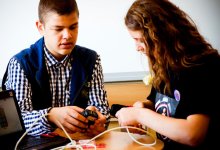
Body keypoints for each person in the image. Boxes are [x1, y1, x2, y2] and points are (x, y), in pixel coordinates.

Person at [115, 0, 220, 149]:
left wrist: (140, 115)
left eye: (141, 40)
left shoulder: (202, 65)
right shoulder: (164, 64)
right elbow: (158, 104)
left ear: (160, 35)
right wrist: (141, 107)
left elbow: (193, 134)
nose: (137, 47)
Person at [1, 0, 110, 137]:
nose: (68, 36)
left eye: (73, 27)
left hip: (80, 143)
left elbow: (102, 110)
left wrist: (98, 120)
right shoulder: (20, 63)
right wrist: (50, 116)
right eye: (58, 29)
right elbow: (16, 121)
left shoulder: (91, 60)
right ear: (41, 27)